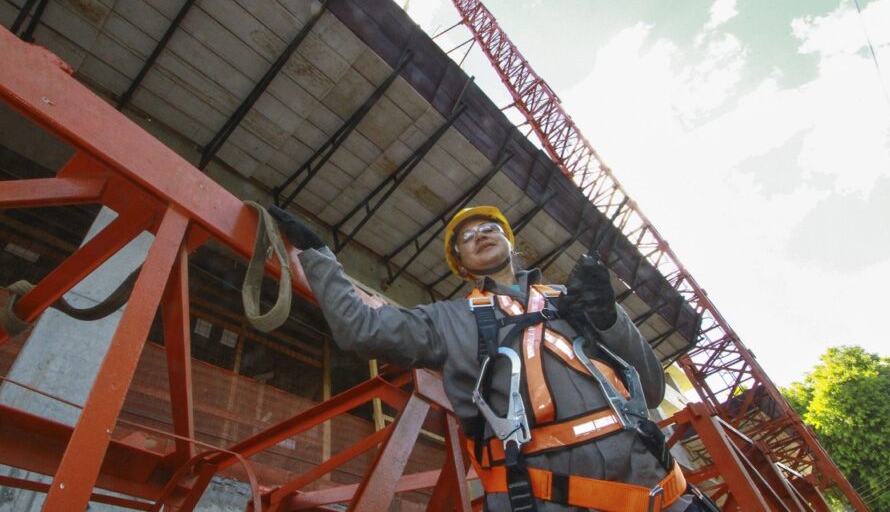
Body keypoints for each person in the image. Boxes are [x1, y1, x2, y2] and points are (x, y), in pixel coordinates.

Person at [270, 204, 699, 511]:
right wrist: (318, 256)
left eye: (489, 228)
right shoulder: (448, 320)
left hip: (658, 484)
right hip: (550, 496)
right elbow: (361, 329)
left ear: (511, 243)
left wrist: (608, 318)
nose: (479, 235)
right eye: (467, 237)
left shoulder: (577, 300)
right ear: (462, 265)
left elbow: (653, 387)